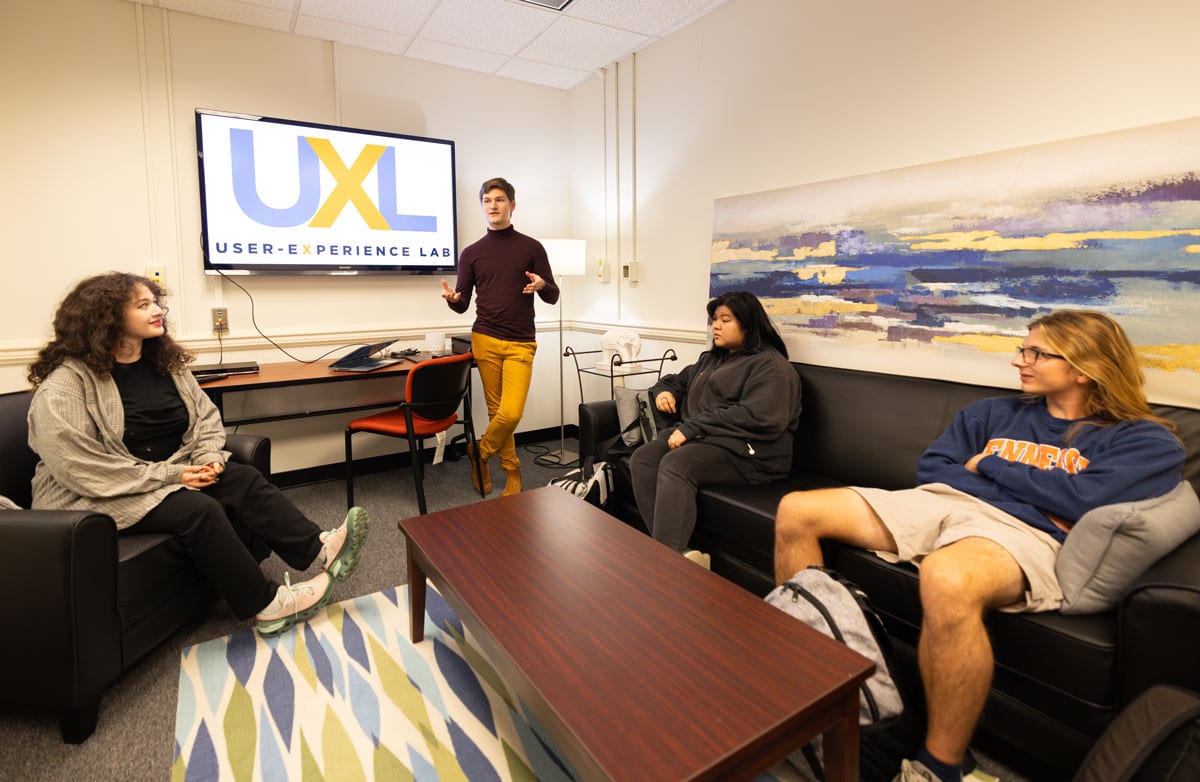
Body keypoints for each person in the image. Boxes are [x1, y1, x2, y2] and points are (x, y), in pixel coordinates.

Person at [772, 310, 1185, 782]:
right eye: (1022, 349)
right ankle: (813, 687)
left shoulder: (1144, 439)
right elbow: (934, 469)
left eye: (1034, 353)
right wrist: (1035, 492)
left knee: (947, 575)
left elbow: (1085, 500)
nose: (1019, 361)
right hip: (946, 502)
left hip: (1028, 533)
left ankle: (940, 766)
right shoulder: (991, 413)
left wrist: (990, 464)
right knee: (797, 510)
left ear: (1084, 367)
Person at [27, 272, 370, 638]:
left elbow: (206, 418)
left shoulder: (166, 364)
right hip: (98, 492)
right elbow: (77, 466)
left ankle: (321, 549)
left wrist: (209, 459)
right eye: (143, 305)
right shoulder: (66, 382)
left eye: (157, 302)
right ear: (106, 317)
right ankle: (267, 606)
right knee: (198, 510)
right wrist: (173, 477)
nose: (158, 310)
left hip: (171, 473)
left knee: (242, 477)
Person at [631, 291, 801, 567]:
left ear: (748, 323)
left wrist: (693, 427)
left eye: (726, 319)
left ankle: (664, 565)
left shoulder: (771, 367)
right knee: (644, 458)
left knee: (677, 464)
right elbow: (677, 379)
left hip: (753, 453)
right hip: (709, 440)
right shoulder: (712, 359)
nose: (716, 326)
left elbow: (760, 417)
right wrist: (665, 391)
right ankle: (676, 554)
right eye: (714, 320)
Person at [440, 177, 559, 497]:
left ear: (512, 205)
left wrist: (541, 285)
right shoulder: (472, 253)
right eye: (487, 201)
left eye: (499, 200)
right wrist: (454, 301)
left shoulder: (532, 247)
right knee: (496, 413)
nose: (493, 206)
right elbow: (464, 303)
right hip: (486, 339)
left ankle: (480, 453)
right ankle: (512, 472)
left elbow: (553, 296)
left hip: (521, 342)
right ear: (482, 206)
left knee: (511, 413)